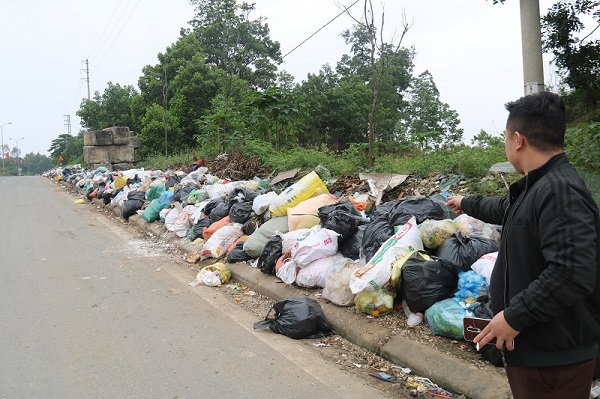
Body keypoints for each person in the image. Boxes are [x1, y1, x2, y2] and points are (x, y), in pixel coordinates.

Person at [446, 91, 600, 399]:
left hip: (554, 361)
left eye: (505, 137)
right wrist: (466, 202)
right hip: (539, 353)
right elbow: (506, 209)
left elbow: (572, 272)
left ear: (518, 139)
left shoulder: (559, 190)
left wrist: (515, 316)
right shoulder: (540, 186)